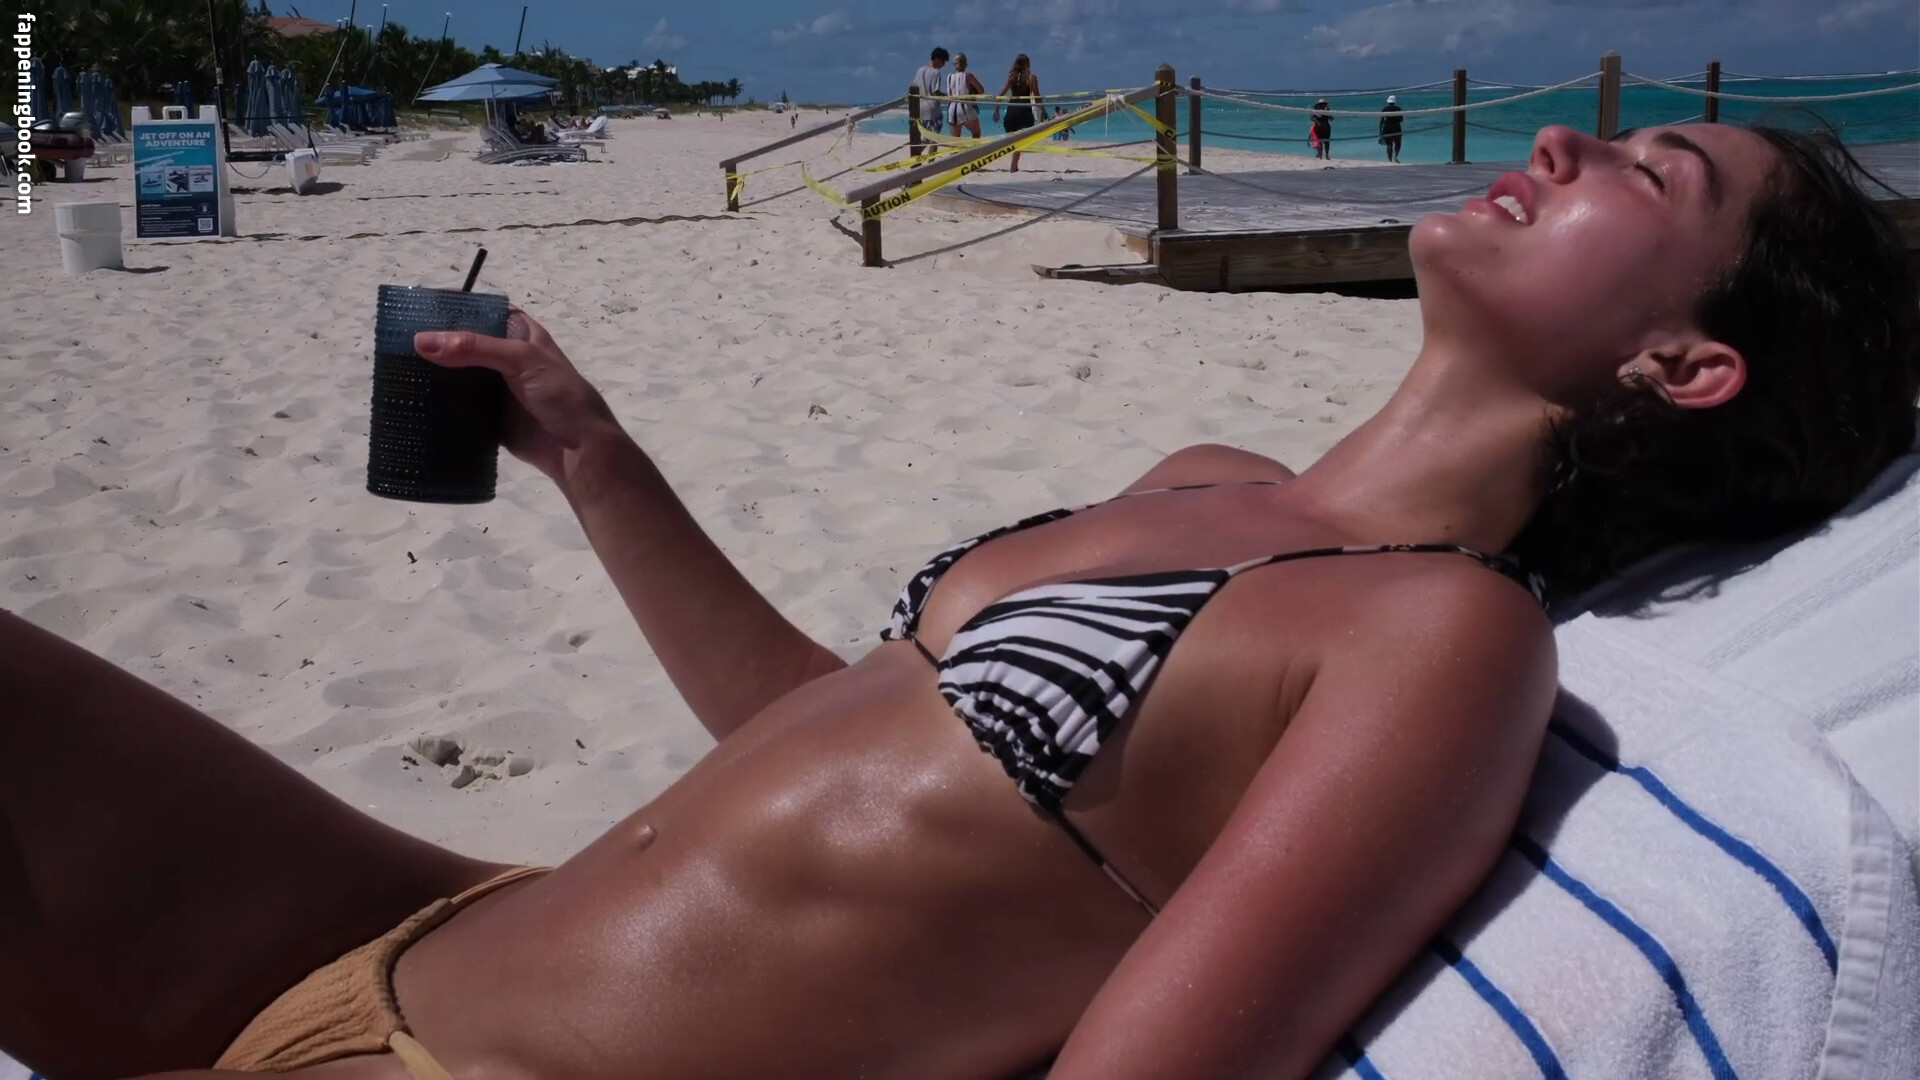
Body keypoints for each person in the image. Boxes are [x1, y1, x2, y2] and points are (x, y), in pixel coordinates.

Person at [4, 123, 1916, 1080]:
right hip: (408, 925)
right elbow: (830, 750)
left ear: (1687, 365)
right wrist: (591, 454)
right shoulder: (1206, 481)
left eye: (1654, 169)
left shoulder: (1439, 638)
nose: (1565, 142)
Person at [992, 53, 1045, 172]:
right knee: (1020, 141)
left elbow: (1000, 96)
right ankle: (1013, 165)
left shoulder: (1012, 77)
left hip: (1012, 112)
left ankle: (1014, 165)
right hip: (1024, 112)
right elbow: (1037, 97)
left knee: (1014, 140)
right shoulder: (1031, 78)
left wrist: (997, 110)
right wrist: (1044, 112)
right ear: (1028, 64)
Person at [911, 47, 949, 155]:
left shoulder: (920, 70)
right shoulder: (935, 73)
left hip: (920, 109)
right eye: (943, 61)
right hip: (933, 110)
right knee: (935, 139)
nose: (943, 65)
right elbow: (935, 92)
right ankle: (931, 161)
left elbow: (914, 86)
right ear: (937, 59)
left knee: (926, 137)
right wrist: (947, 96)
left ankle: (915, 154)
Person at [946, 53, 986, 139]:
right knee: (976, 133)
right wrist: (972, 94)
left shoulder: (949, 77)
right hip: (965, 107)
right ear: (965, 64)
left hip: (952, 109)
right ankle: (973, 148)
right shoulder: (968, 76)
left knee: (955, 140)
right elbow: (981, 90)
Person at [1378, 93, 1404, 163]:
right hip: (1396, 128)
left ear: (1388, 102)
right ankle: (1395, 157)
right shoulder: (1398, 109)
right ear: (1394, 102)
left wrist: (1380, 131)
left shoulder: (1385, 109)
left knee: (1389, 145)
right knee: (1398, 144)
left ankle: (1390, 161)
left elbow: (1381, 121)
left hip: (1387, 128)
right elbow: (1401, 120)